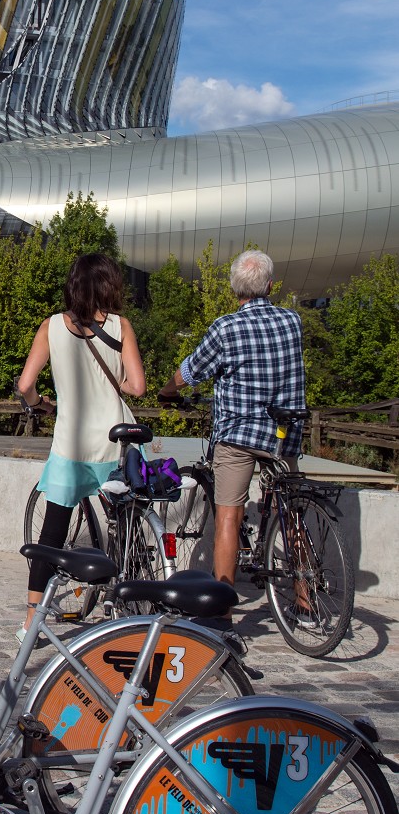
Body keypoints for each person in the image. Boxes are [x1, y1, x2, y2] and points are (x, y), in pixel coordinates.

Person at [157, 249, 306, 605]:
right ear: (270, 285)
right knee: (294, 510)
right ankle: (305, 597)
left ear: (234, 290)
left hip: (238, 435)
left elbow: (191, 370)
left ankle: (221, 610)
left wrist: (168, 390)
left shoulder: (226, 328)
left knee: (228, 514)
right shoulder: (293, 321)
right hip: (284, 434)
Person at [16, 253, 146, 638]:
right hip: (116, 441)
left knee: (51, 536)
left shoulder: (51, 326)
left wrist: (39, 403)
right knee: (125, 525)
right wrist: (114, 386)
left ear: (73, 285)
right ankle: (124, 606)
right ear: (111, 284)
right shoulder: (122, 327)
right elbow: (136, 387)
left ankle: (30, 623)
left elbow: (25, 385)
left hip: (72, 443)